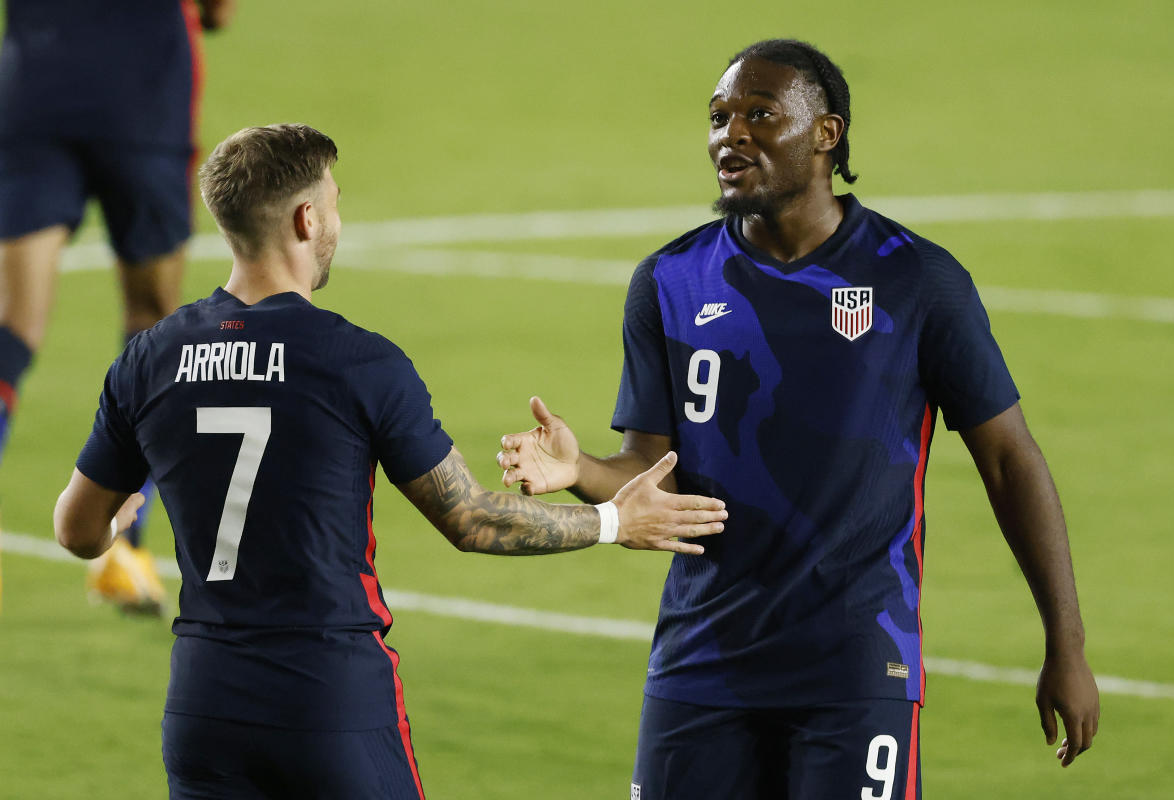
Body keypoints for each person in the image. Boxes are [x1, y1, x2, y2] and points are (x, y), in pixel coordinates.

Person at [496, 38, 1100, 799]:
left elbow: (1010, 460)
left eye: (760, 114)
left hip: (855, 666)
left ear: (826, 134)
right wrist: (578, 470)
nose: (730, 134)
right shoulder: (669, 281)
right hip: (700, 662)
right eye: (718, 117)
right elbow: (649, 473)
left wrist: (1066, 646)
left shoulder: (914, 278)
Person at [52, 123, 726, 799]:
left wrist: (116, 526)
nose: (337, 222)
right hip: (330, 700)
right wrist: (614, 521)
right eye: (334, 203)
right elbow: (471, 519)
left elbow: (75, 529)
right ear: (305, 217)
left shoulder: (148, 360)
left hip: (203, 704)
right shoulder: (357, 361)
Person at [0, 0, 236, 614]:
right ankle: (122, 551)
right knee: (153, 325)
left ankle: (121, 553)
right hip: (142, 93)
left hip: (37, 81)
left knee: (12, 325)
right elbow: (219, 12)